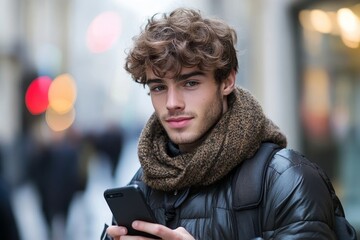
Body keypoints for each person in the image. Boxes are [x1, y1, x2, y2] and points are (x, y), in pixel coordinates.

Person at [104, 7, 348, 239]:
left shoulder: (287, 179)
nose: (172, 103)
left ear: (227, 81)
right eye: (158, 87)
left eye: (190, 83)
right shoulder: (143, 183)